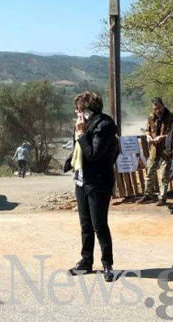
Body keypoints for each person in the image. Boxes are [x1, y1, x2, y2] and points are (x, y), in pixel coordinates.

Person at [63, 91, 119, 282]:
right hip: (82, 180)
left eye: (79, 110)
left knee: (99, 225)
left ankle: (107, 264)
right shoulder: (84, 125)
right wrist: (70, 160)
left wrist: (80, 134)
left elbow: (93, 154)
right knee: (85, 224)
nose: (77, 114)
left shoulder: (104, 126)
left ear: (88, 111)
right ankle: (86, 260)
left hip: (98, 182)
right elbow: (78, 150)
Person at [139, 97, 173, 205]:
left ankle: (162, 197)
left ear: (163, 105)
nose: (157, 110)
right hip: (154, 149)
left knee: (164, 174)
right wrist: (148, 136)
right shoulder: (151, 117)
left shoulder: (171, 117)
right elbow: (147, 130)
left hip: (166, 149)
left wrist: (162, 137)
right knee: (150, 171)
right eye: (155, 108)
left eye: (159, 107)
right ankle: (148, 194)